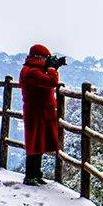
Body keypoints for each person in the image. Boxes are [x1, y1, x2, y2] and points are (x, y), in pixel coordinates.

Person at [19, 44, 60, 185]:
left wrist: (52, 68)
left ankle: (36, 174)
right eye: (45, 58)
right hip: (37, 112)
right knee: (35, 143)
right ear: (39, 57)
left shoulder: (30, 70)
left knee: (38, 142)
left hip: (38, 111)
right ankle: (30, 175)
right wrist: (52, 69)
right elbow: (52, 82)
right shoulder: (32, 72)